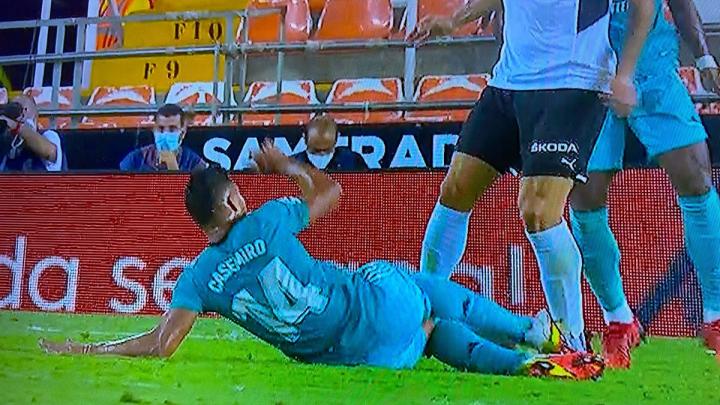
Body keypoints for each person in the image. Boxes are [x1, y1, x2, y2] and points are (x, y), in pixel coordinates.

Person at [39, 142, 604, 380]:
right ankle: (536, 332)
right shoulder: (265, 220)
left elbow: (161, 345)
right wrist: (286, 166)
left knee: (430, 334)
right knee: (421, 287)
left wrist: (86, 350)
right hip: (370, 304)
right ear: (232, 202)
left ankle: (520, 367)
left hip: (362, 360)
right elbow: (331, 193)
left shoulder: (197, 279)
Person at [408, 0, 655, 351]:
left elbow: (643, 6)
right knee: (455, 190)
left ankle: (572, 344)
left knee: (539, 212)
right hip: (509, 80)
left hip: (574, 81)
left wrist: (625, 74)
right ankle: (424, 315)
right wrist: (454, 20)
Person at [569, 0, 720, 368]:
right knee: (584, 196)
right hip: (588, 74)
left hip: (653, 68)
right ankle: (618, 320)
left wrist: (704, 59)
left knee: (696, 178)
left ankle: (716, 315)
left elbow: (679, 4)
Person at [119, 103, 207, 172]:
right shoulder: (135, 160)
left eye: (172, 129)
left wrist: (173, 167)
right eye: (161, 128)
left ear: (182, 134)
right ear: (154, 130)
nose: (165, 134)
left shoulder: (194, 163)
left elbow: (198, 190)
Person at [0, 96, 64, 172]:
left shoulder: (49, 135)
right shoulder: (6, 138)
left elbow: (50, 152)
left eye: (22, 109)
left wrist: (17, 127)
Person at [291, 115, 368, 171]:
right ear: (304, 137)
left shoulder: (353, 161)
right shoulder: (290, 165)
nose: (321, 154)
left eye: (327, 151)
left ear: (337, 138)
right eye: (315, 151)